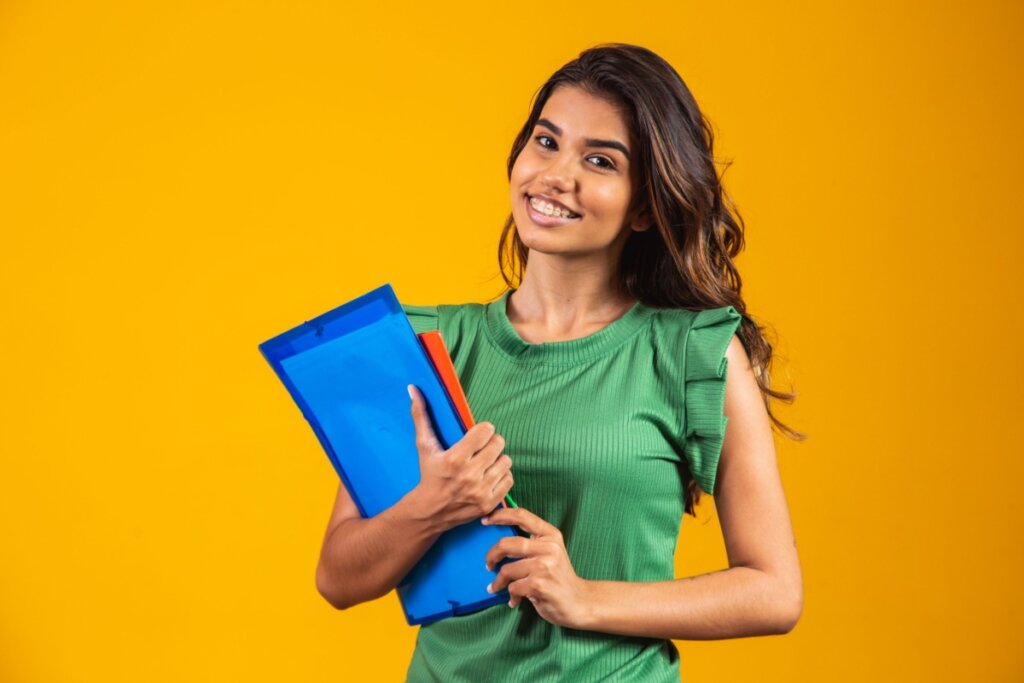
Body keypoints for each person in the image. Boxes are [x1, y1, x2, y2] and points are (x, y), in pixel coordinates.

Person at [315, 43, 804, 682]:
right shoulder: (428, 347)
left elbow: (774, 591)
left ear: (645, 206)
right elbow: (338, 576)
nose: (555, 175)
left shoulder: (691, 355)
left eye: (599, 160)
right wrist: (432, 505)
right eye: (546, 143)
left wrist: (584, 598)